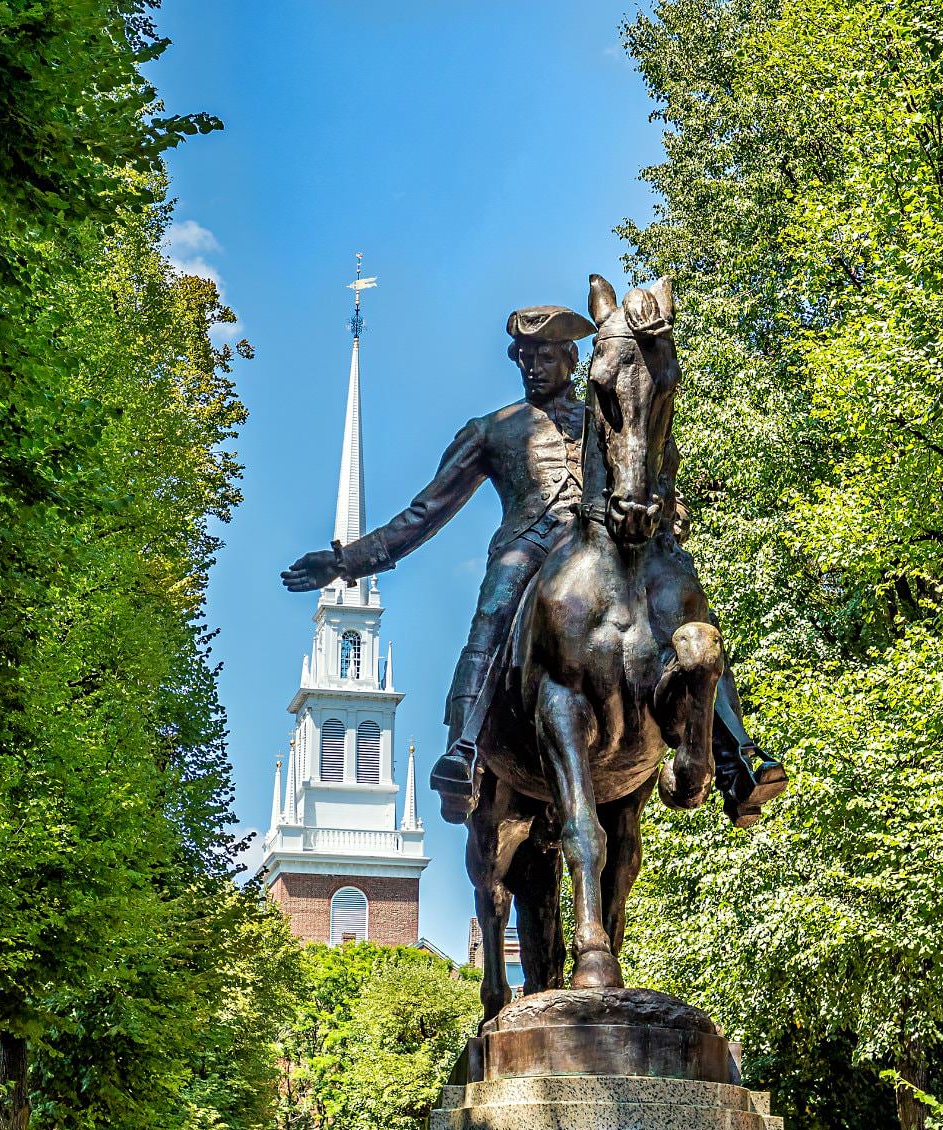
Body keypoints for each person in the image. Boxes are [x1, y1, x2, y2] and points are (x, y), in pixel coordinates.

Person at [281, 304, 785, 823]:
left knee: (685, 604)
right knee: (493, 614)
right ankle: (466, 749)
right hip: (530, 547)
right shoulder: (491, 431)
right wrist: (345, 563)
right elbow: (423, 514)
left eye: (544, 355)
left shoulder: (608, 415)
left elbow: (654, 467)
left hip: (609, 548)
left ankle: (734, 754)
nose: (533, 367)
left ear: (571, 357)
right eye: (524, 357)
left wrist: (669, 509)